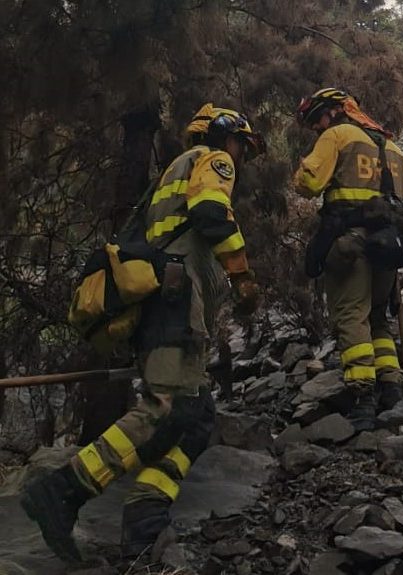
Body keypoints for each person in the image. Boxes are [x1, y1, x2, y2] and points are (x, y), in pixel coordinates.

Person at [21, 104, 265, 562]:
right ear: (223, 134)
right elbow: (212, 212)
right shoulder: (213, 160)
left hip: (162, 301)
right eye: (241, 144)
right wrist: (242, 275)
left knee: (195, 418)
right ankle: (63, 489)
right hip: (173, 298)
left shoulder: (173, 172)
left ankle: (145, 524)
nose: (241, 157)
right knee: (168, 405)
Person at [293, 88, 403, 431]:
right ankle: (393, 388)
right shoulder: (391, 147)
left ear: (333, 112)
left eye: (316, 119)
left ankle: (362, 396)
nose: (315, 128)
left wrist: (304, 168)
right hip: (388, 246)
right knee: (378, 318)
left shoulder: (337, 136)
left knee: (352, 315)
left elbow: (308, 183)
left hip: (350, 245)